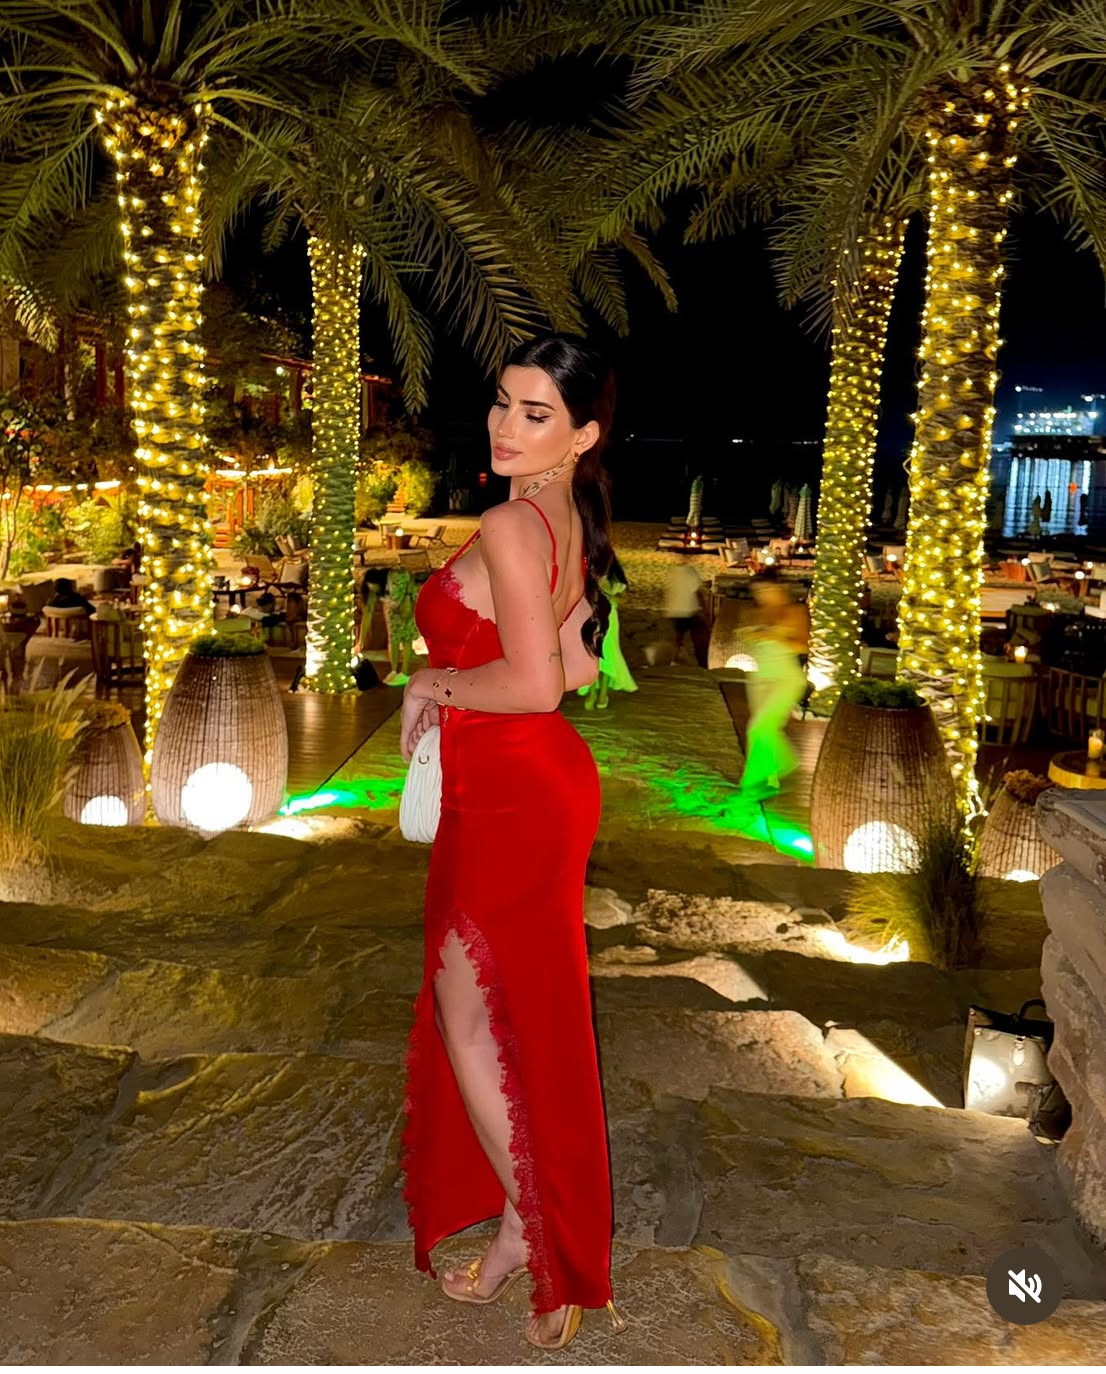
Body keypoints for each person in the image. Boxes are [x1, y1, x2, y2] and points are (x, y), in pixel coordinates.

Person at [399, 334, 625, 1352]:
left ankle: (533, 1228)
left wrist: (433, 681)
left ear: (582, 434)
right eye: (501, 402)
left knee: (471, 1017)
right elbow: (577, 670)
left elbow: (535, 685)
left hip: (511, 795)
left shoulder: (508, 521)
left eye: (537, 414)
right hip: (531, 786)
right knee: (515, 1018)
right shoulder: (564, 516)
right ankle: (520, 1225)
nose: (505, 425)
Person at [734, 567, 809, 800]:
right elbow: (747, 637)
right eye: (757, 591)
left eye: (766, 589)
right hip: (759, 678)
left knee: (759, 728)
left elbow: (803, 646)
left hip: (786, 678)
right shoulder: (754, 613)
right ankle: (776, 774)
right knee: (765, 730)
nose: (762, 595)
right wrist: (750, 635)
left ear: (780, 588)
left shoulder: (794, 611)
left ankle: (753, 783)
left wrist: (775, 636)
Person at [578, 553, 637, 709]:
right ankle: (593, 692)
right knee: (592, 653)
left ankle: (602, 693)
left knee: (607, 655)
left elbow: (623, 598)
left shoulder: (615, 580)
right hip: (592, 617)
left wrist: (612, 598)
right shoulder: (590, 575)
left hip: (609, 618)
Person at [662, 550, 707, 665]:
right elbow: (697, 591)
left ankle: (674, 658)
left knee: (678, 636)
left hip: (675, 609)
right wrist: (704, 608)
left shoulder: (673, 571)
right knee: (699, 636)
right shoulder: (690, 571)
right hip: (689, 609)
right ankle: (701, 661)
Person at [383, 567, 419, 687]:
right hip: (393, 605)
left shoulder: (406, 574)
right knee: (394, 638)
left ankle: (404, 672)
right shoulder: (389, 575)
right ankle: (394, 670)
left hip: (406, 601)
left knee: (406, 639)